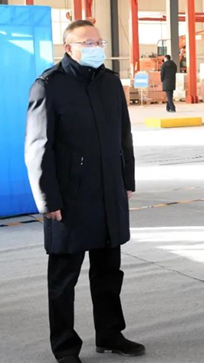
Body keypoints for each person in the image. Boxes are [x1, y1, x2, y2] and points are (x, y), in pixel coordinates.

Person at [24, 20, 145, 363]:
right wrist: (48, 200)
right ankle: (65, 348)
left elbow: (123, 135)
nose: (96, 48)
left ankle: (110, 334)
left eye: (99, 42)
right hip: (70, 199)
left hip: (109, 193)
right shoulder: (49, 86)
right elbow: (38, 148)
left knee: (109, 273)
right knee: (63, 280)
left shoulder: (110, 82)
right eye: (87, 43)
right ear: (68, 48)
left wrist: (127, 180)